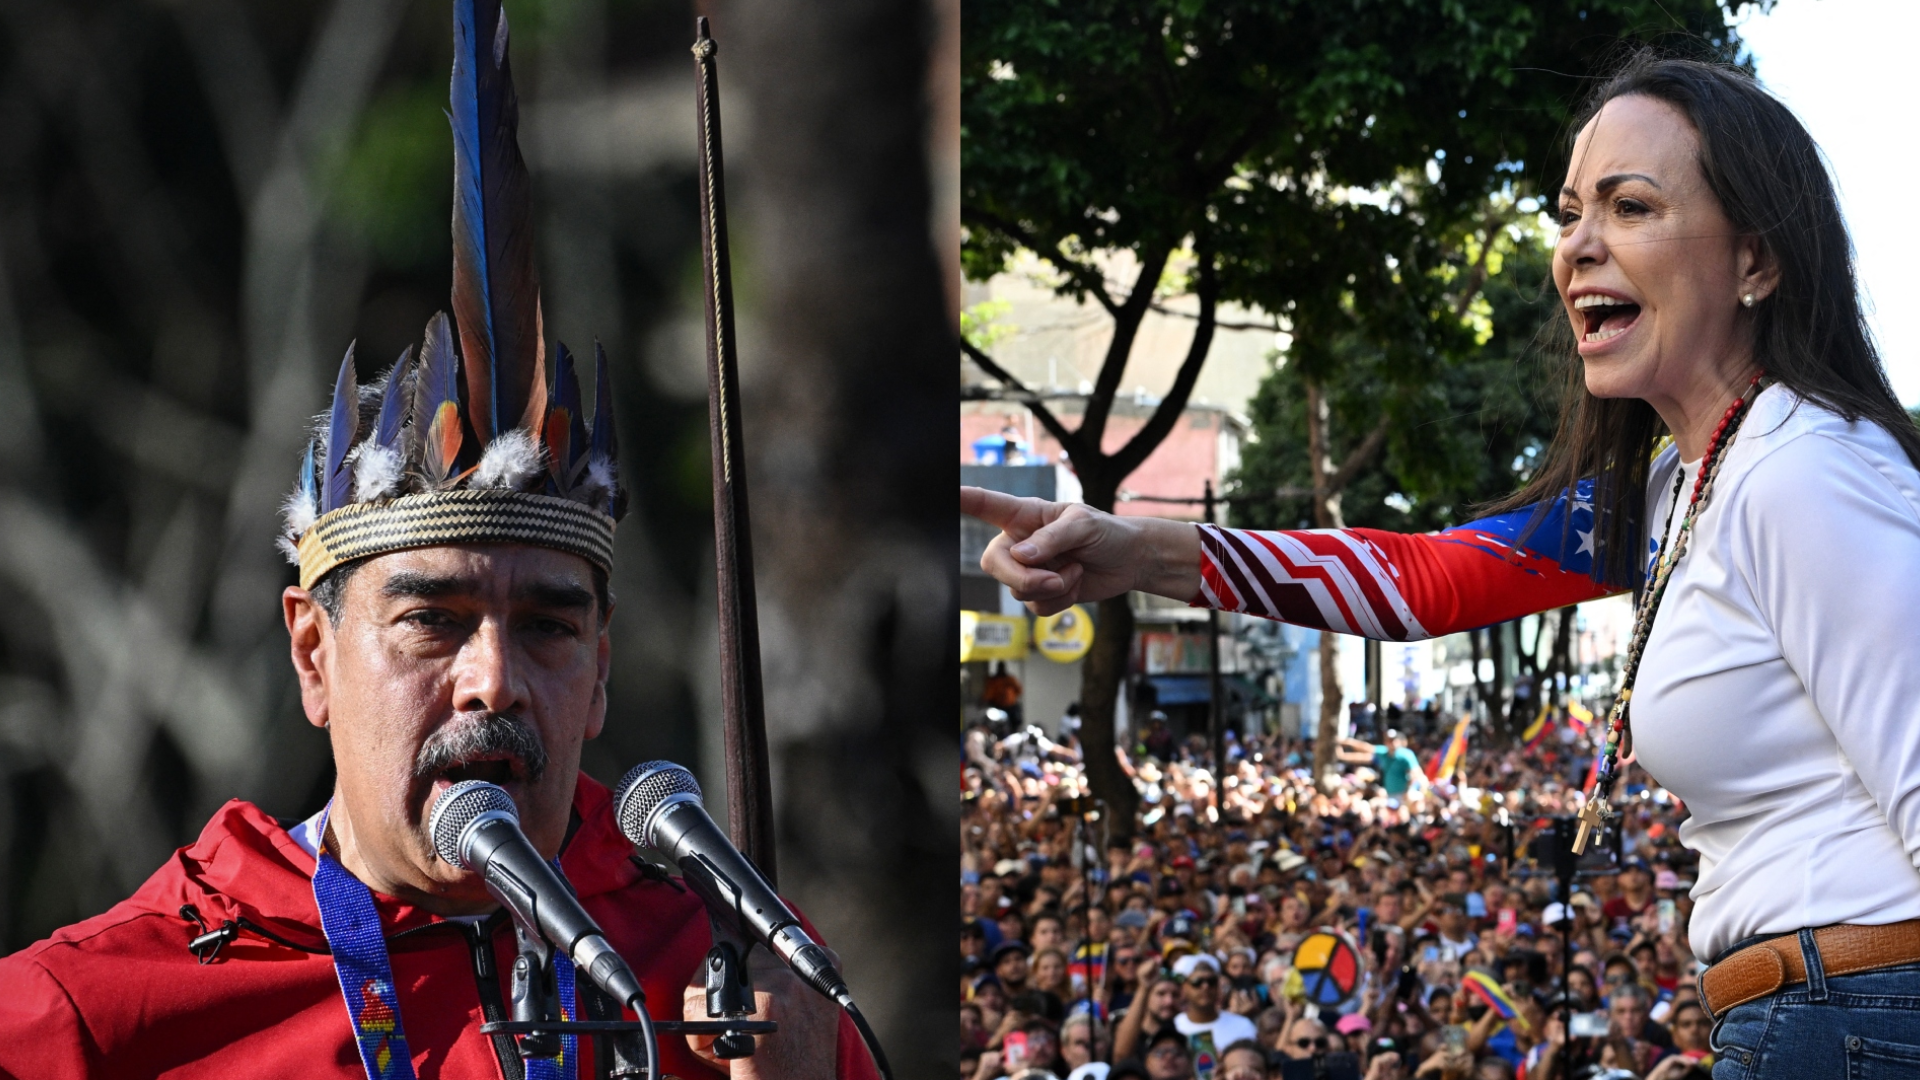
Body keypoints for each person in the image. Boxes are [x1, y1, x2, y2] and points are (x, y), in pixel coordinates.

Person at [965, 49, 1920, 1074]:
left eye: (1630, 207)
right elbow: (1433, 578)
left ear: (1757, 261)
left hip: (1851, 1020)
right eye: (1568, 215)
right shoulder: (1685, 482)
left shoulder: (1808, 472)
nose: (1577, 249)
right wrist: (1132, 547)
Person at [0, 5, 868, 1078]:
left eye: (550, 625)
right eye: (432, 621)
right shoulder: (85, 1017)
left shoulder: (740, 971)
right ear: (313, 655)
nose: (493, 681)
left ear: (601, 673)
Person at [1170, 959, 1258, 1067]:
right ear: (1184, 988)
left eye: (1211, 982)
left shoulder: (1243, 1025)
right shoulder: (1173, 1027)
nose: (1205, 986)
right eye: (1197, 982)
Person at [1335, 731, 1428, 801]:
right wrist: (1345, 744)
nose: (1392, 743)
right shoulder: (1384, 753)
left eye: (1394, 740)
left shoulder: (1406, 755)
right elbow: (1366, 749)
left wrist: (1409, 790)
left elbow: (1416, 773)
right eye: (1389, 740)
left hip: (1404, 794)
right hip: (1390, 793)